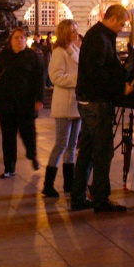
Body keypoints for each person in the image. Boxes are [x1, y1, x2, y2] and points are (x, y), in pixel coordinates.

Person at [71, 4, 134, 213]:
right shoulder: (99, 37)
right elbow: (97, 72)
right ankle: (100, 198)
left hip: (89, 99)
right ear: (113, 18)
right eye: (122, 24)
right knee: (103, 150)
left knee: (88, 150)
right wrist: (120, 88)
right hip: (96, 101)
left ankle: (78, 196)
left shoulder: (98, 35)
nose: (122, 28)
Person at [0, 27, 45, 178]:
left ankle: (32, 154)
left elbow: (39, 79)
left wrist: (39, 99)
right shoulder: (3, 56)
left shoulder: (32, 56)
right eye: (16, 38)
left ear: (26, 40)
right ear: (10, 41)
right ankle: (9, 167)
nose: (20, 40)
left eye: (22, 38)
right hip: (7, 103)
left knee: (28, 133)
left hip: (26, 103)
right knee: (8, 137)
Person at [43, 19, 81, 198]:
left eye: (76, 30)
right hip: (64, 103)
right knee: (61, 144)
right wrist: (77, 80)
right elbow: (55, 77)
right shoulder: (59, 52)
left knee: (72, 145)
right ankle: (48, 184)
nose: (76, 33)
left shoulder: (75, 49)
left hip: (76, 103)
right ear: (65, 33)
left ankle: (69, 183)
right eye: (73, 31)